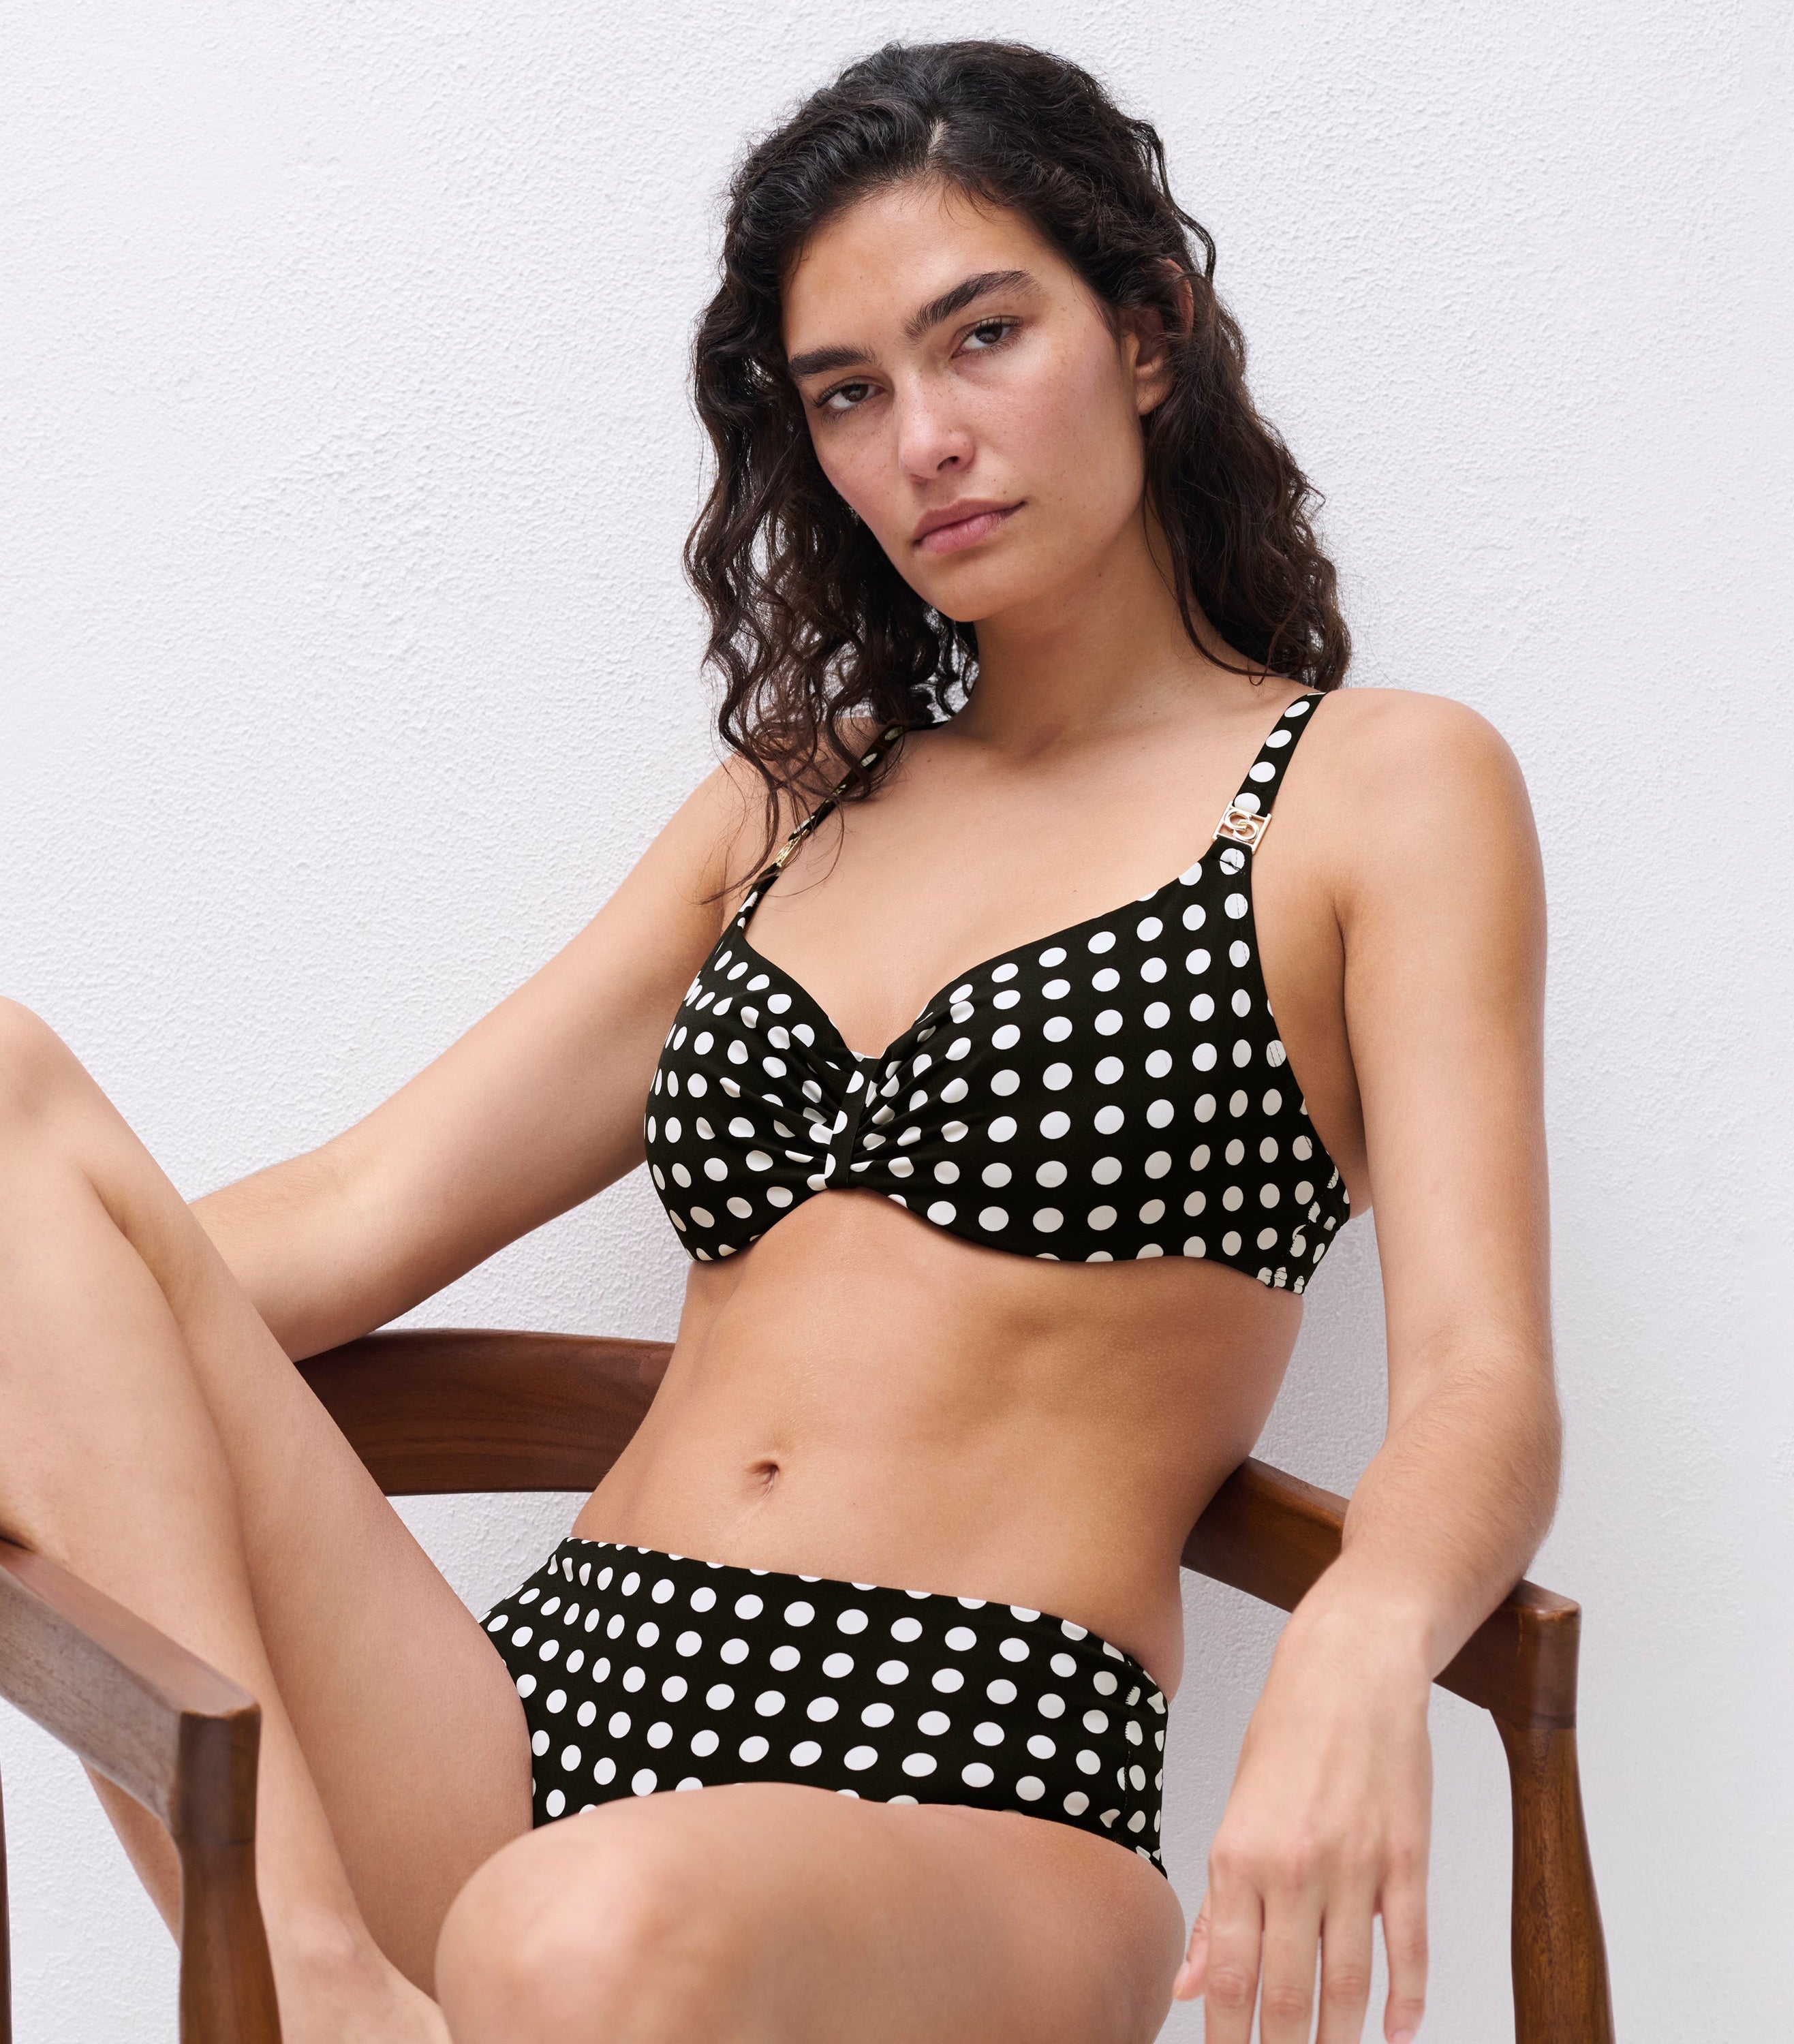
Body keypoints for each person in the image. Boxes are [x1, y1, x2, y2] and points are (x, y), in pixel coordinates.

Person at [0, 37, 1558, 2044]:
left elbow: (1483, 1383)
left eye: (982, 336)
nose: (929, 440)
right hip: (535, 1721)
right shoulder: (794, 802)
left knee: (579, 1931)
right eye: (849, 393)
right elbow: (361, 1206)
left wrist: (1364, 1638)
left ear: (1147, 333)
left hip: (969, 1792)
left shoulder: (1374, 793)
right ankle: (306, 1985)